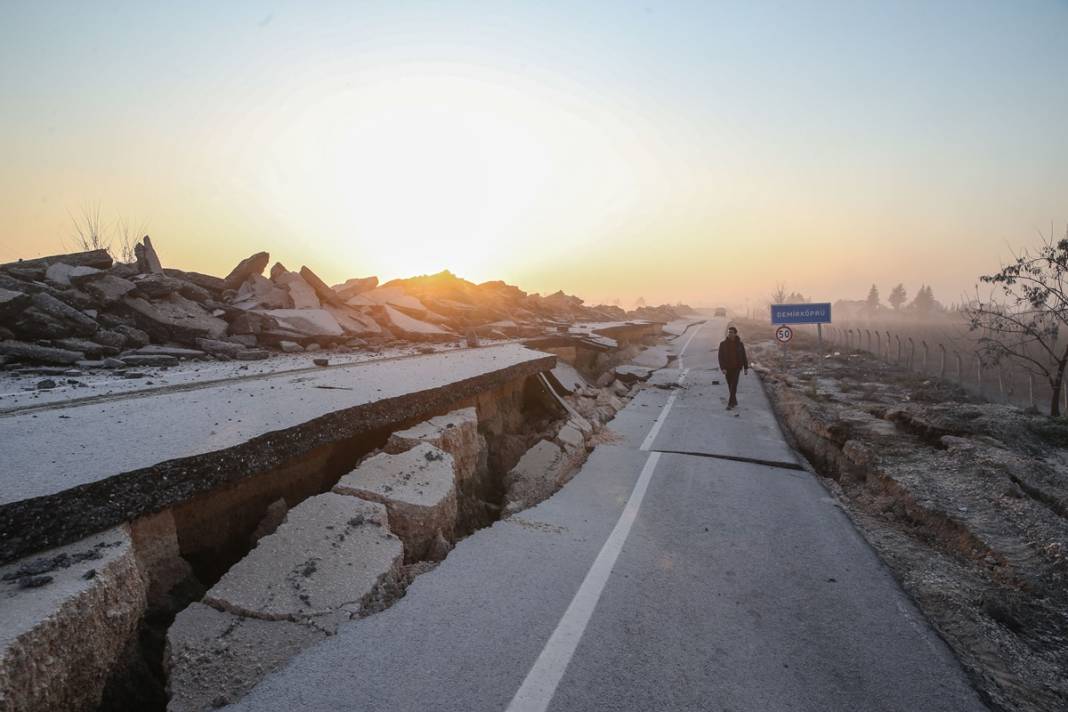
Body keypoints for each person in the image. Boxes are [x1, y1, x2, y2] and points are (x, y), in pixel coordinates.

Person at [717, 325, 749, 409]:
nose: (729, 334)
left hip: (737, 368)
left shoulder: (740, 344)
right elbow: (720, 357)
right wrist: (723, 368)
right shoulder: (723, 344)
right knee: (730, 385)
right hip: (727, 369)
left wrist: (746, 368)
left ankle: (730, 404)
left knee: (733, 385)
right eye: (728, 332)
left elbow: (743, 356)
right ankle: (734, 401)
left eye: (731, 332)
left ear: (735, 334)